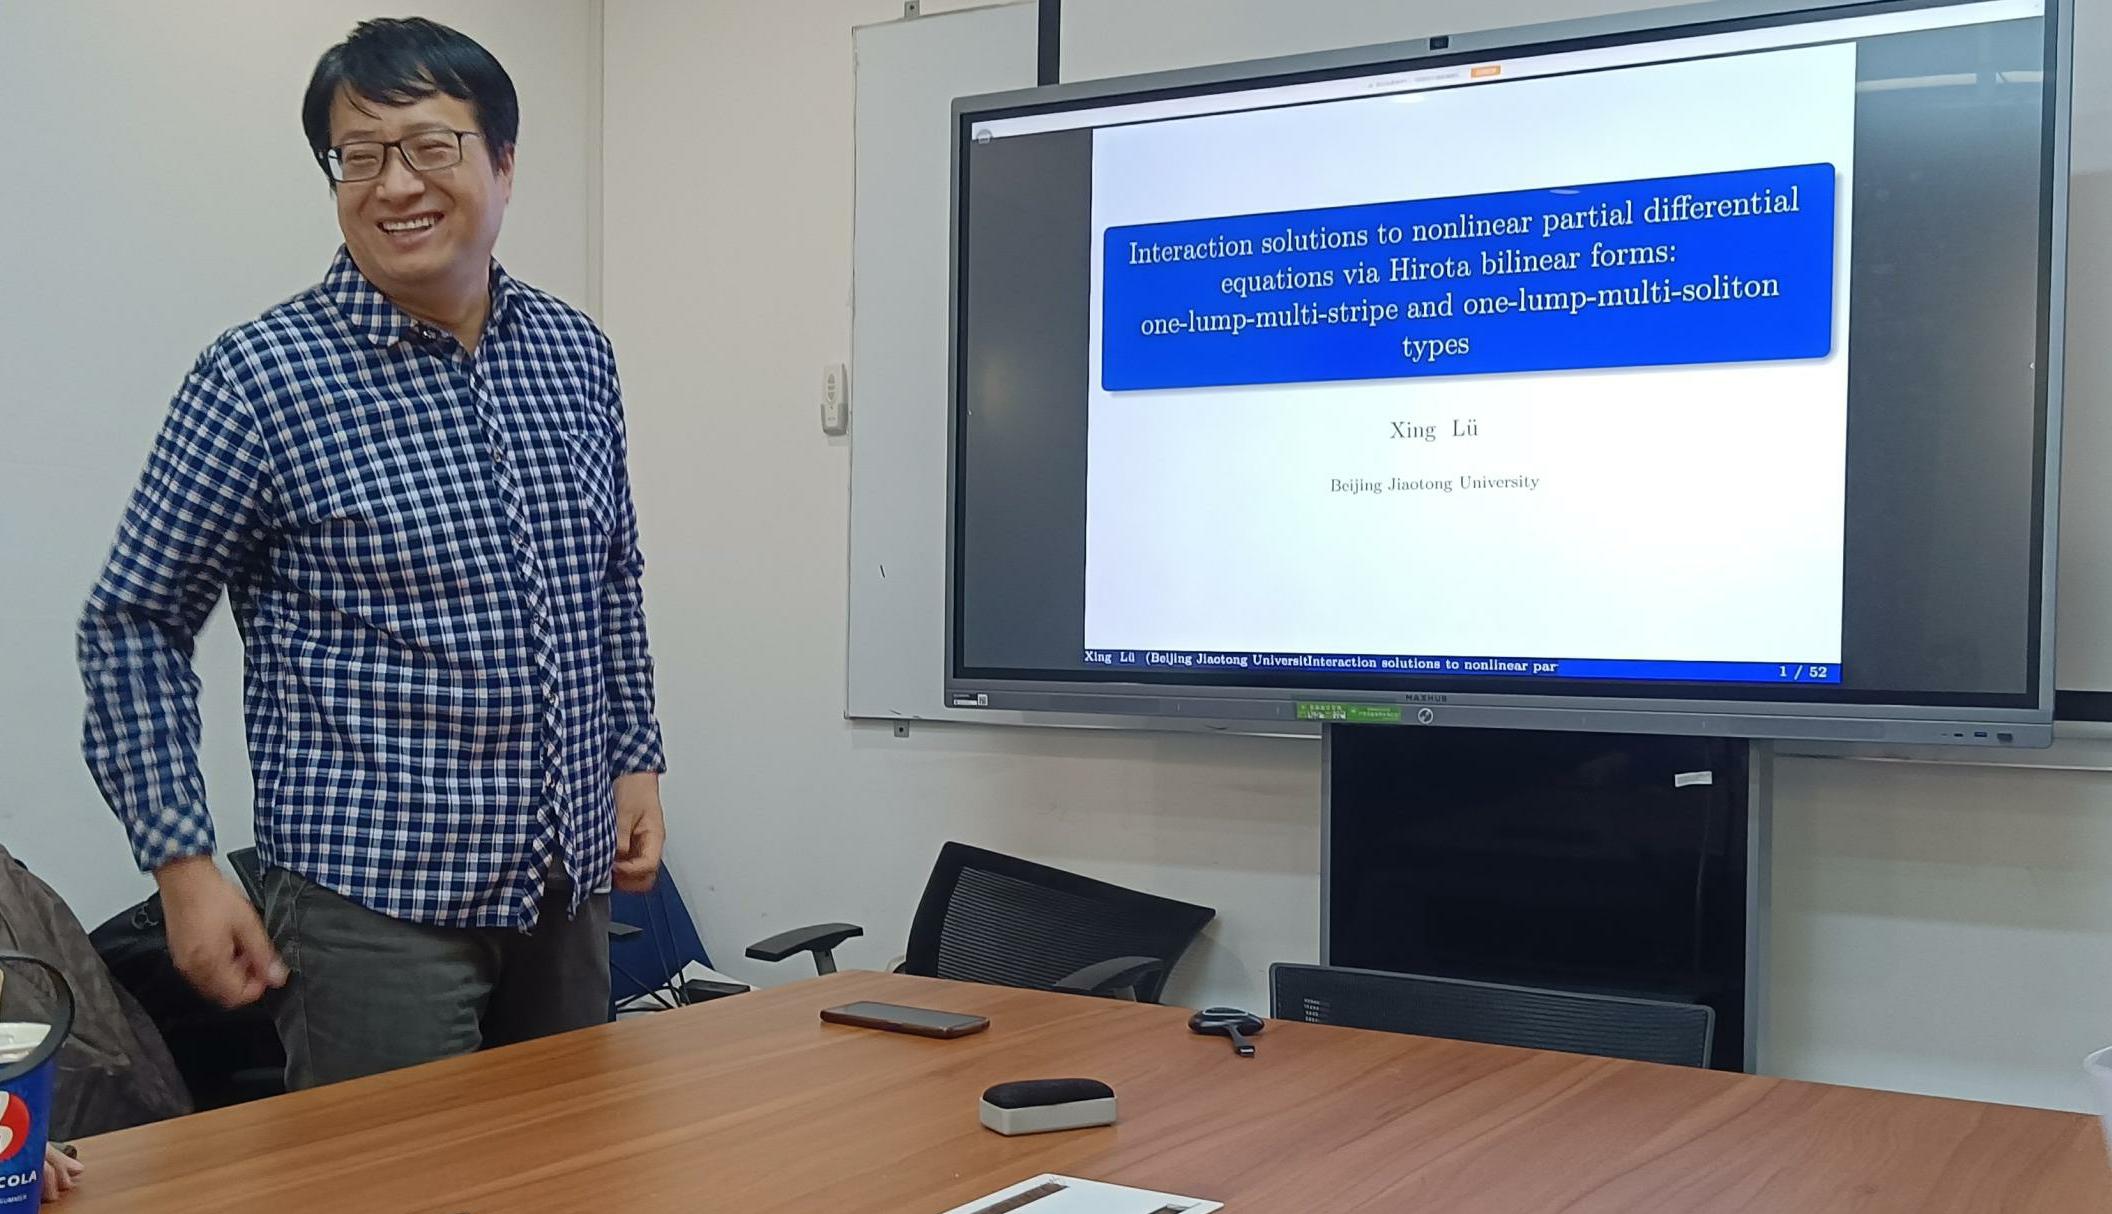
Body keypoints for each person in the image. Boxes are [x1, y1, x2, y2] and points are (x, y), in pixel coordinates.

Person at [77, 17, 668, 1090]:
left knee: (571, 1165)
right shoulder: (262, 378)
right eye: (358, 155)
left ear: (503, 162)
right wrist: (183, 863)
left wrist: (635, 757)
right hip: (373, 906)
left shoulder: (575, 354)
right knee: (395, 1176)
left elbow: (611, 577)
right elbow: (134, 622)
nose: (395, 185)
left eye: (431, 146)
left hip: (565, 883)